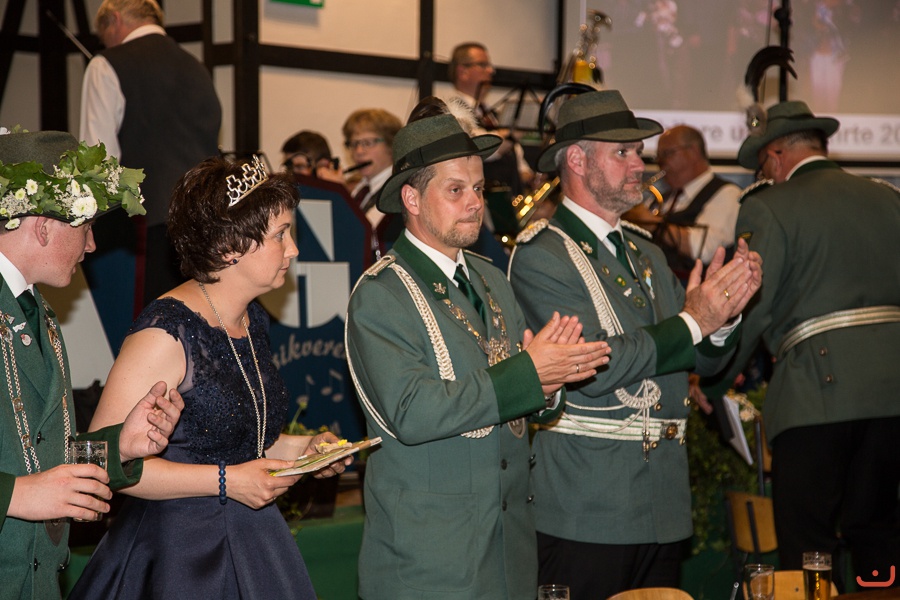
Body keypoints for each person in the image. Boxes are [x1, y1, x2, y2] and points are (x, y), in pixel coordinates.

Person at [345, 102, 613, 599]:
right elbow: (414, 412)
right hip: (430, 565)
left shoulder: (492, 278)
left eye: (478, 188)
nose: (474, 203)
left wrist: (550, 381)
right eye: (455, 190)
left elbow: (520, 404)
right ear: (411, 198)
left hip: (508, 554)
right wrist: (530, 373)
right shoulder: (381, 294)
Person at [507, 90, 763, 600]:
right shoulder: (542, 255)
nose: (639, 165)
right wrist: (694, 320)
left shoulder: (647, 253)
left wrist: (721, 320)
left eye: (638, 152)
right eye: (621, 152)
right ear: (576, 160)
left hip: (662, 502)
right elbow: (593, 363)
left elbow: (701, 362)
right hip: (586, 505)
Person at [68, 156, 348, 599]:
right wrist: (227, 481)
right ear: (229, 247)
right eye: (280, 235)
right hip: (178, 554)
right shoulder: (165, 333)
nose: (293, 249)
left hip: (254, 539)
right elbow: (101, 460)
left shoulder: (252, 319)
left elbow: (239, 439)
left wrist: (305, 449)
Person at [702, 100, 900, 591]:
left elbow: (752, 305)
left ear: (776, 154)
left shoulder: (769, 206)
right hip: (892, 396)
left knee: (809, 546)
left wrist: (714, 378)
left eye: (762, 165)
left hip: (817, 392)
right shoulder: (887, 197)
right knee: (878, 537)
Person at [0, 129, 184, 600]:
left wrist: (120, 445)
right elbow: (27, 485)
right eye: (85, 226)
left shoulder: (37, 312)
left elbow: (40, 454)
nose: (92, 245)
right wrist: (15, 495)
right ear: (44, 226)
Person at [80, 0, 222, 308]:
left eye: (103, 36)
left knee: (150, 324)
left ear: (114, 19)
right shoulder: (196, 67)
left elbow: (98, 162)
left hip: (144, 231)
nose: (105, 44)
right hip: (207, 226)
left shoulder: (107, 64)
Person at [626, 124, 742, 280]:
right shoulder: (661, 199)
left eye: (667, 153)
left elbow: (706, 250)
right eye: (658, 156)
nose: (660, 162)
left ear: (693, 152)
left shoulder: (727, 193)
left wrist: (650, 222)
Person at [447, 43, 535, 205]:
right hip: (482, 202)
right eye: (483, 65)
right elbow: (480, 144)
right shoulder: (451, 111)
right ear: (462, 71)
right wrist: (512, 133)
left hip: (510, 200)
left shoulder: (491, 113)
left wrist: (527, 174)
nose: (491, 71)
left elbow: (514, 153)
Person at [342, 108, 403, 258]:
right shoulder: (359, 189)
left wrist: (339, 196)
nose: (359, 151)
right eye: (354, 144)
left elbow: (366, 234)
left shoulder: (397, 189)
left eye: (368, 143)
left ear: (390, 145)